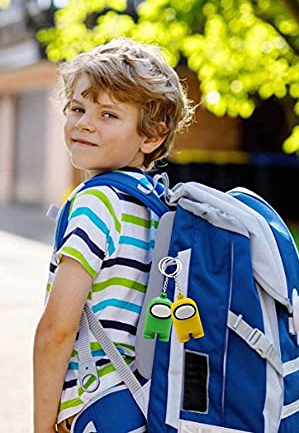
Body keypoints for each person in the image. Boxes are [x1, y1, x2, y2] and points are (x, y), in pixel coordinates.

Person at [33, 37, 194, 433]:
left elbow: (57, 330)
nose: (84, 123)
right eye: (77, 108)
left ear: (152, 136)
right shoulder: (158, 204)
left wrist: (41, 426)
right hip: (143, 402)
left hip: (96, 404)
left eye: (108, 114)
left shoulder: (97, 202)